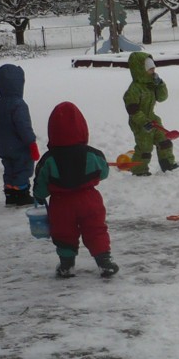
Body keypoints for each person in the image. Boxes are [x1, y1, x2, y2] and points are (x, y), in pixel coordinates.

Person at [32, 102, 119, 279]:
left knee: (64, 232)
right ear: (82, 129)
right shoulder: (92, 154)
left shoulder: (49, 159)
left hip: (61, 203)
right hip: (89, 200)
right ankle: (104, 261)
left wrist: (39, 196)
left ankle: (67, 265)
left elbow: (41, 184)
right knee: (95, 229)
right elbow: (103, 172)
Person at [0, 63, 39, 206]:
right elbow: (23, 126)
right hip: (20, 146)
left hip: (4, 146)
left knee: (9, 169)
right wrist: (31, 142)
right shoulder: (19, 104)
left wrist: (0, 139)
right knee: (22, 168)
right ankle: (21, 194)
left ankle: (10, 194)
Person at [123, 51, 179, 176]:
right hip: (140, 122)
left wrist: (160, 84)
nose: (153, 71)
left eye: (153, 67)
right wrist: (144, 121)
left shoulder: (151, 84)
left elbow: (162, 98)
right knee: (145, 147)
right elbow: (133, 110)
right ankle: (139, 170)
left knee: (164, 140)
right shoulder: (133, 90)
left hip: (153, 119)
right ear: (140, 70)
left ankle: (168, 164)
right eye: (149, 68)